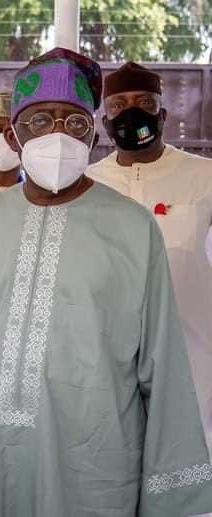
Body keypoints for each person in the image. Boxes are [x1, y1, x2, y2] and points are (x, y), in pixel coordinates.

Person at [0, 48, 212, 517]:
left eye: (73, 122)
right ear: (15, 134)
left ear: (92, 132)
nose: (57, 134)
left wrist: (166, 491)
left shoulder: (132, 227)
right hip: (3, 460)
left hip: (99, 465)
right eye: (39, 121)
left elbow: (163, 362)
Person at [87, 62, 212, 440]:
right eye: (118, 105)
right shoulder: (88, 183)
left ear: (163, 114)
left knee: (190, 449)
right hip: (106, 354)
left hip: (190, 352)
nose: (132, 113)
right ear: (105, 120)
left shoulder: (204, 177)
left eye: (144, 103)